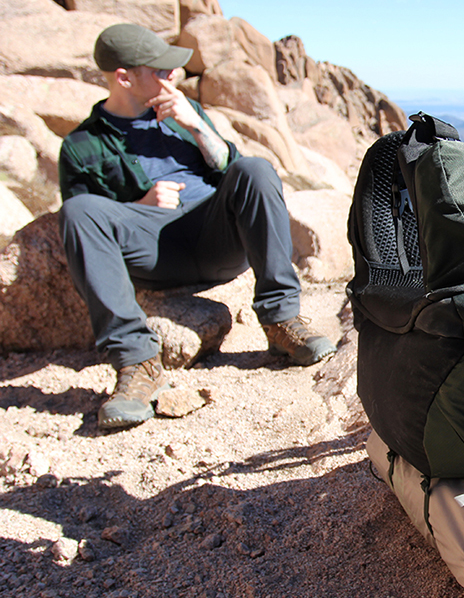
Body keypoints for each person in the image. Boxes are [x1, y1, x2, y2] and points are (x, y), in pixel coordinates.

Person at [58, 23, 335, 430]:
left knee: (255, 168)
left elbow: (232, 168)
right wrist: (138, 204)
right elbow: (87, 229)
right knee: (78, 210)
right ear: (123, 77)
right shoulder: (82, 145)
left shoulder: (183, 112)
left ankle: (280, 323)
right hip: (154, 251)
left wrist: (196, 125)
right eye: (160, 71)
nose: (173, 77)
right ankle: (137, 363)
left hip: (217, 239)